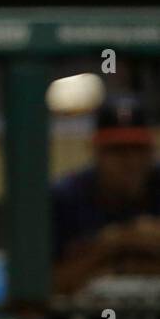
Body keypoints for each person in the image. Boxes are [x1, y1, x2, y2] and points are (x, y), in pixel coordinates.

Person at [53, 97, 160, 295]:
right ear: (95, 151)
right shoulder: (65, 197)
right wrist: (116, 242)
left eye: (138, 148)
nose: (130, 161)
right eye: (117, 150)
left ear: (151, 150)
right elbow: (47, 286)